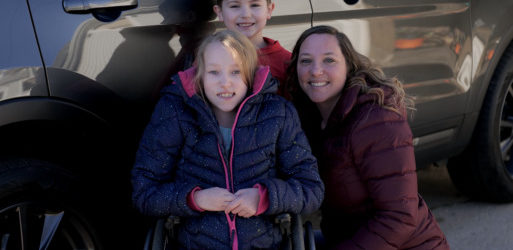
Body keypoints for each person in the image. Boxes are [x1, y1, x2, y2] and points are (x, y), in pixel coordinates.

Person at [131, 29, 324, 250]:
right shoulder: (175, 112)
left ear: (250, 75)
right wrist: (195, 199)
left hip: (264, 244)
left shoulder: (278, 114)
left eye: (235, 72)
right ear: (199, 76)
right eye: (214, 72)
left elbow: (311, 188)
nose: (225, 83)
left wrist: (264, 198)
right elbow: (145, 190)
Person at [286, 25, 450, 249]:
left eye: (329, 60)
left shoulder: (376, 120)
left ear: (349, 67)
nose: (315, 70)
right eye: (305, 61)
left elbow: (400, 217)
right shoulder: (309, 118)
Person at [214, 0, 292, 98]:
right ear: (220, 12)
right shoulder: (208, 58)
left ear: (269, 10)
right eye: (234, 6)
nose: (246, 14)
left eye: (255, 5)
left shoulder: (287, 63)